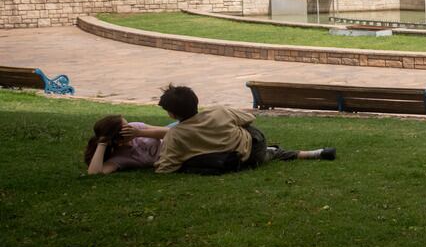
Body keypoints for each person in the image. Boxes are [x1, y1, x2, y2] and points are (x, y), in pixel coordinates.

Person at [153, 85, 335, 175]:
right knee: (249, 134)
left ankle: (274, 152)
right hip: (254, 145)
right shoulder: (219, 111)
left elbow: (165, 167)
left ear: (171, 114)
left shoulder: (175, 135)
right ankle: (315, 153)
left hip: (233, 161)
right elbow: (250, 118)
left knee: (263, 153)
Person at [85, 115, 171, 175]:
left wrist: (140, 133)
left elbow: (171, 132)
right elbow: (94, 173)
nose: (131, 126)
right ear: (119, 139)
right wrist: (102, 144)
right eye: (127, 126)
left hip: (173, 136)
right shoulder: (120, 158)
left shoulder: (135, 128)